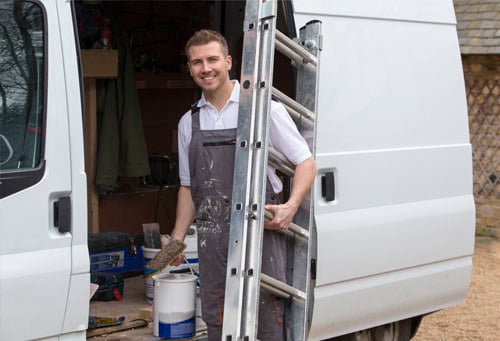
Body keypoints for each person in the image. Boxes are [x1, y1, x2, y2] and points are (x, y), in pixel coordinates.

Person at [170, 29, 317, 341]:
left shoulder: (265, 109)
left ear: (228, 61)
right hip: (213, 242)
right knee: (218, 318)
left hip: (258, 234)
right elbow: (188, 187)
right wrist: (177, 239)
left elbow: (306, 163)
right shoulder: (189, 123)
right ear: (190, 68)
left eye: (212, 60)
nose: (205, 68)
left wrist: (290, 206)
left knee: (266, 319)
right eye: (197, 62)